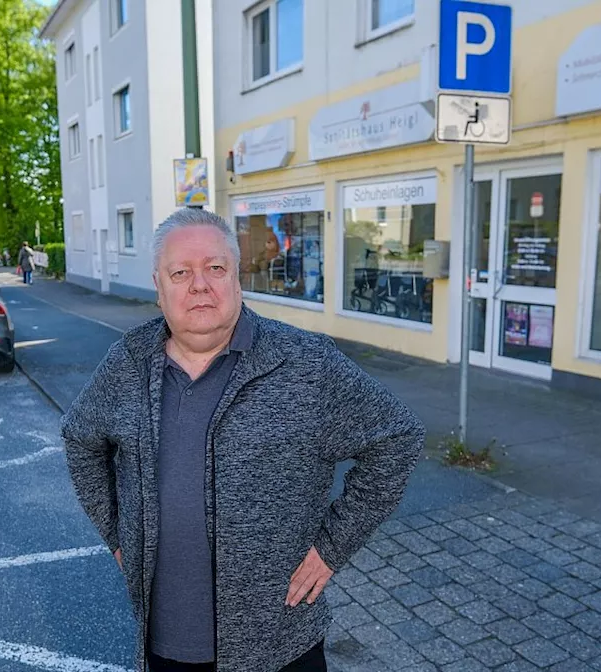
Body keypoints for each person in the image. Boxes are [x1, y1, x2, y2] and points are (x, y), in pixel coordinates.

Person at [62, 209, 426, 672]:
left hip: (279, 646)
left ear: (238, 278)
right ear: (159, 286)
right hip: (167, 645)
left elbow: (397, 438)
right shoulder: (128, 363)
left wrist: (333, 547)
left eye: (215, 268)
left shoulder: (305, 364)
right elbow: (80, 438)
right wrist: (118, 534)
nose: (199, 285)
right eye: (180, 272)